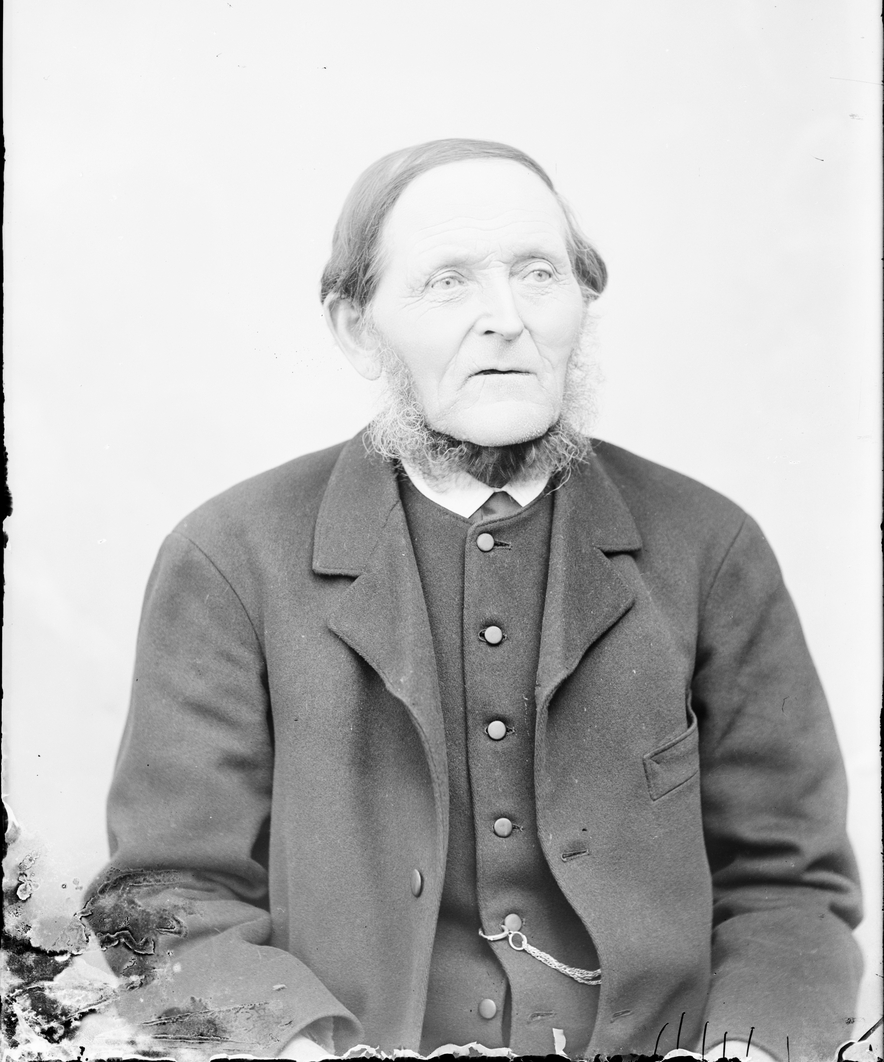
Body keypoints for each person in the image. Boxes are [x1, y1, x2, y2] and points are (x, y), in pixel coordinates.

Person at [85, 139, 862, 1062]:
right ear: (355, 328)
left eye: (538, 274)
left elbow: (791, 887)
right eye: (447, 283)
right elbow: (163, 899)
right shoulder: (229, 557)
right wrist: (295, 1052)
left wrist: (747, 1054)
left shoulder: (710, 547)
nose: (506, 319)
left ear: (583, 303)